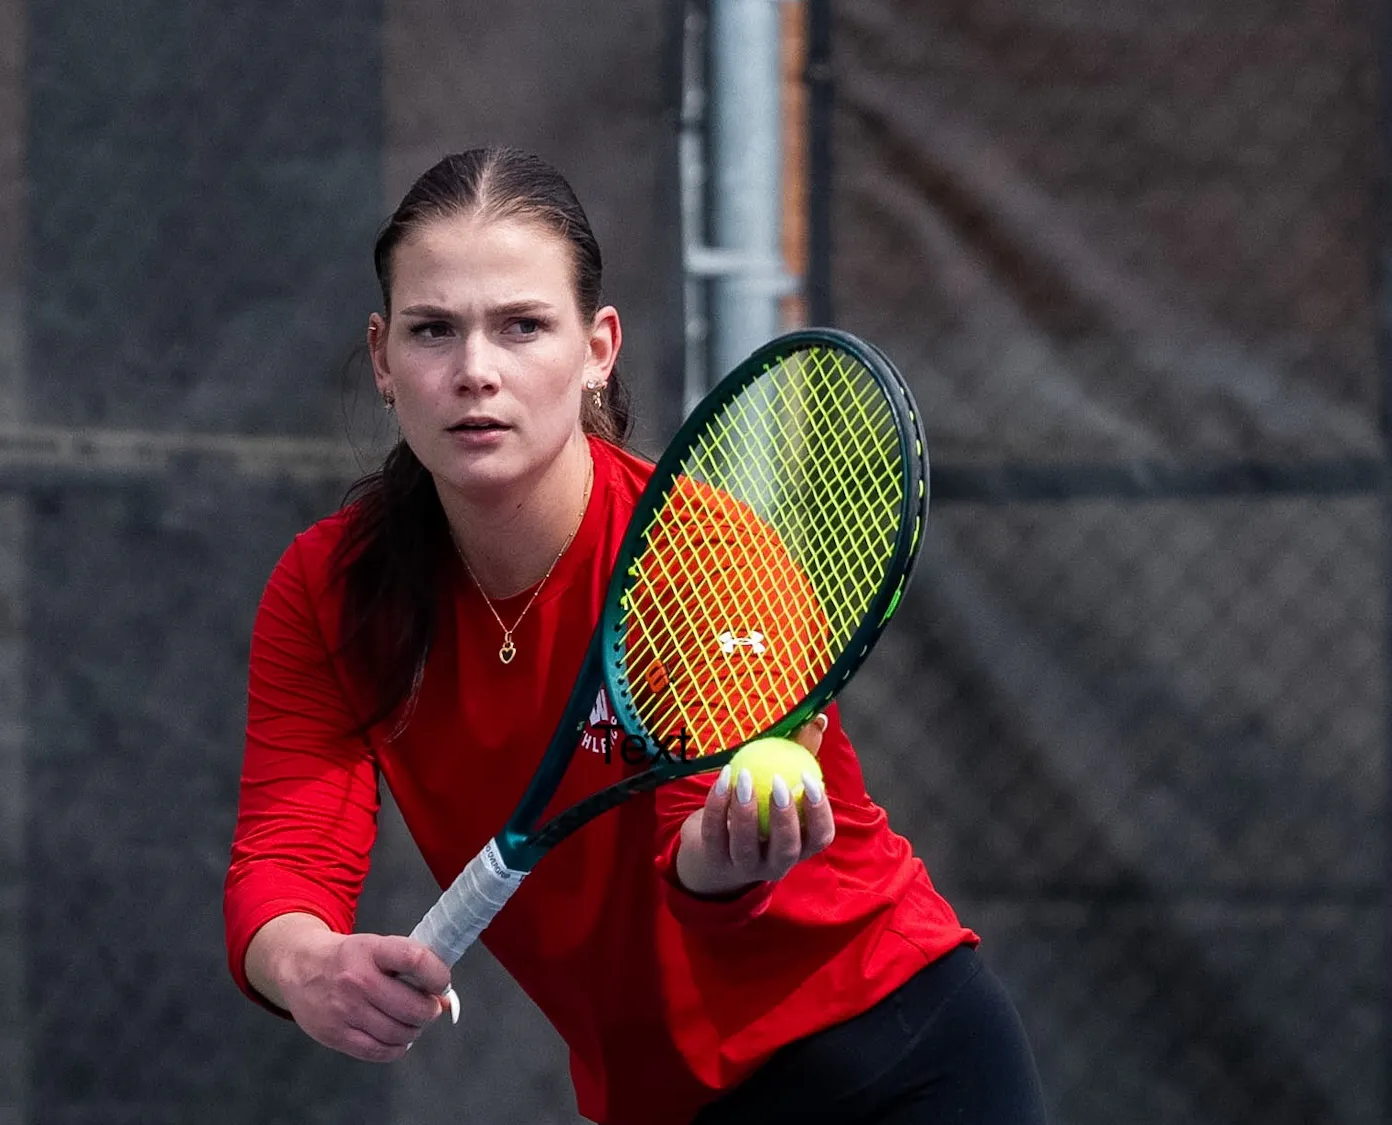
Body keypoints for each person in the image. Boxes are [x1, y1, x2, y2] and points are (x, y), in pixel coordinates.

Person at [224, 146, 1046, 1125]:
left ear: (598, 349)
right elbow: (286, 851)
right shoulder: (329, 586)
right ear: (382, 359)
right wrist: (304, 962)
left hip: (886, 1059)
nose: (476, 371)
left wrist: (726, 856)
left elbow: (705, 868)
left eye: (523, 326)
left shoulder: (700, 554)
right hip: (661, 1102)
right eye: (434, 329)